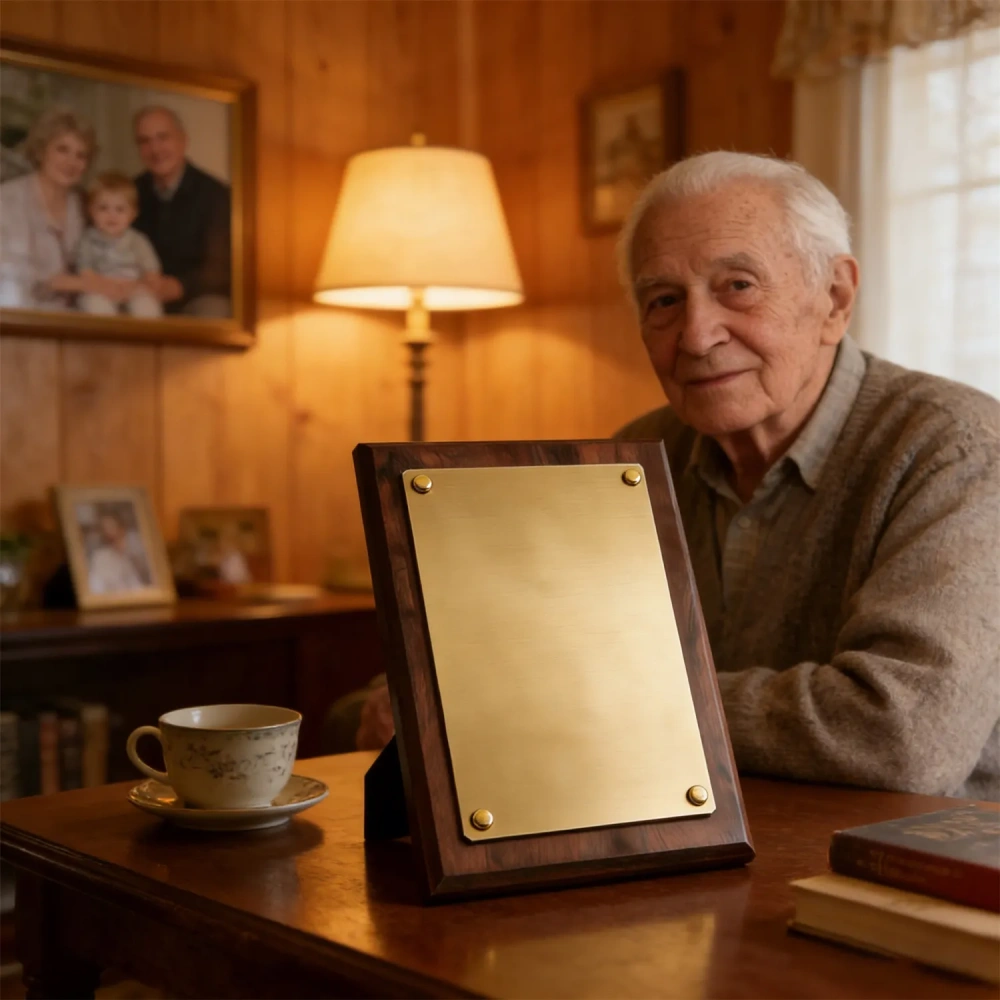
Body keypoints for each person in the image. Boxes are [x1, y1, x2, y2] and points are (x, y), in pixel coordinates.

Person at [351, 151, 1000, 802]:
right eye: (663, 300)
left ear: (834, 298)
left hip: (913, 872)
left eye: (737, 286)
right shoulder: (637, 453)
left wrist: (591, 697)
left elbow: (903, 735)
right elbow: (514, 640)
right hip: (695, 846)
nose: (695, 335)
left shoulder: (957, 448)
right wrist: (420, 689)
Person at [131, 105, 231, 318]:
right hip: (141, 294)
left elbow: (221, 269)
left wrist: (179, 286)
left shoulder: (216, 195)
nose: (155, 149)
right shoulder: (130, 193)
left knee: (214, 311)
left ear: (183, 141)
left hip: (196, 297)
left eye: (163, 137)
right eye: (144, 141)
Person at [0, 108, 94, 310]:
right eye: (62, 149)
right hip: (20, 319)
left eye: (81, 155)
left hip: (75, 323)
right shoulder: (8, 199)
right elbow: (9, 275)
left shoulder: (86, 206)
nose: (71, 162)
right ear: (42, 151)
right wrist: (58, 283)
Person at [74, 171, 162, 318]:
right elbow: (85, 272)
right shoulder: (88, 239)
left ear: (133, 214)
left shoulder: (137, 240)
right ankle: (107, 338)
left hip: (133, 288)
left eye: (120, 209)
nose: (111, 215)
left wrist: (138, 287)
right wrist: (104, 286)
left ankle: (145, 338)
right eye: (103, 208)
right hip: (100, 288)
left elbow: (152, 272)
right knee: (96, 306)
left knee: (147, 307)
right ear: (91, 211)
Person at [86, 509, 149, 595]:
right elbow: (96, 587)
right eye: (105, 529)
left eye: (111, 527)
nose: (108, 532)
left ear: (122, 529)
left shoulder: (134, 549)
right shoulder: (100, 557)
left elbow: (137, 586)